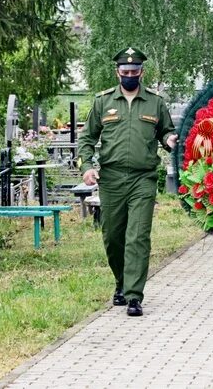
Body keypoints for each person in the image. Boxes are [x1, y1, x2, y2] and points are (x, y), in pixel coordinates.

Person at [78, 47, 178, 317]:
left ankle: (134, 295)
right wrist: (87, 167)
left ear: (142, 73)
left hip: (143, 178)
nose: (130, 76)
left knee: (138, 236)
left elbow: (166, 132)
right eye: (125, 73)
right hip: (111, 179)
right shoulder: (103, 102)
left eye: (135, 72)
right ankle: (121, 282)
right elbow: (87, 138)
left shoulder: (155, 102)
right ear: (117, 73)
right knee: (113, 236)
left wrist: (170, 140)